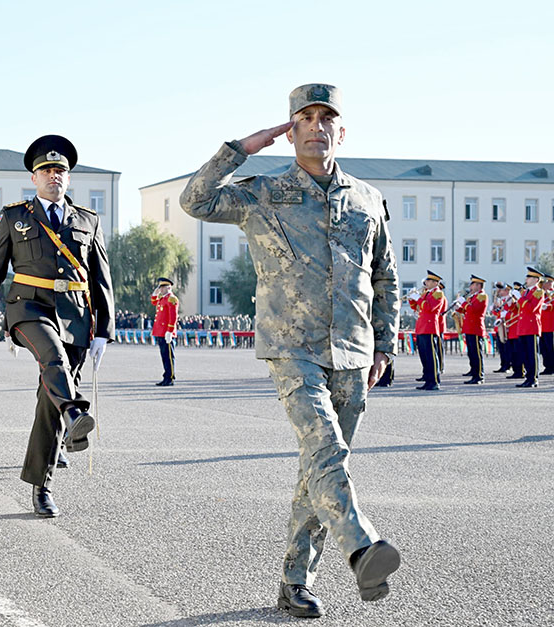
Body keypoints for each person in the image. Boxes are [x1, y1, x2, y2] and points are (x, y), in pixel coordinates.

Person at [179, 84, 401, 617]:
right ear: (290, 130)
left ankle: (295, 580)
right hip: (291, 348)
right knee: (327, 452)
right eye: (306, 117)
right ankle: (362, 547)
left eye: (328, 118)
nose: (317, 126)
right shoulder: (263, 192)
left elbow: (386, 278)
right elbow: (195, 200)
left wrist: (385, 347)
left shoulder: (368, 200)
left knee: (319, 470)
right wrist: (243, 149)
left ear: (340, 132)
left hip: (353, 352)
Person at [0, 135, 114, 517]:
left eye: (60, 171)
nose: (53, 176)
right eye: (46, 170)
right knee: (53, 360)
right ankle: (76, 412)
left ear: (69, 179)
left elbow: (101, 278)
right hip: (28, 309)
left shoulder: (88, 221)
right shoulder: (15, 217)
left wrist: (104, 330)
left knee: (49, 400)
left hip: (75, 315)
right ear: (33, 177)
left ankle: (42, 486)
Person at [409, 271, 445, 391]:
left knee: (431, 357)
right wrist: (411, 299)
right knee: (424, 356)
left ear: (435, 282)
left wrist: (418, 298)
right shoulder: (427, 293)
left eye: (429, 281)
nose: (426, 282)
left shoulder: (438, 294)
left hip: (430, 327)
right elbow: (417, 307)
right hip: (421, 327)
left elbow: (429, 307)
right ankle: (428, 380)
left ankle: (434, 381)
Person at [453, 275, 489, 384]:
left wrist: (463, 303)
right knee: (472, 353)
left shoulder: (482, 296)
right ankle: (474, 373)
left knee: (477, 354)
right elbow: (467, 311)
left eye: (472, 284)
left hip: (476, 328)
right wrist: (458, 308)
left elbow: (474, 309)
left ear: (478, 285)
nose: (470, 287)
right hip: (469, 328)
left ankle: (479, 376)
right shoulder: (473, 297)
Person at [514, 267, 545, 388]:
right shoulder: (526, 292)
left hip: (532, 327)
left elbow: (530, 308)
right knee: (525, 355)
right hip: (523, 327)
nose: (526, 279)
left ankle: (534, 379)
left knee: (532, 355)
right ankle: (528, 378)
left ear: (536, 280)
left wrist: (519, 298)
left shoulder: (538, 292)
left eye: (529, 277)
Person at [150, 277, 178, 386]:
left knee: (169, 356)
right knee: (164, 355)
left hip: (167, 332)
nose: (160, 289)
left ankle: (170, 377)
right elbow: (153, 302)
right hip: (161, 332)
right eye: (160, 287)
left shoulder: (171, 299)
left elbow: (173, 316)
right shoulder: (163, 298)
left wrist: (170, 331)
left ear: (168, 287)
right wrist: (155, 293)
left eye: (162, 287)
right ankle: (166, 376)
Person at [539, 274, 554, 375]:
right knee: (543, 348)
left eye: (550, 282)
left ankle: (552, 367)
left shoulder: (552, 294)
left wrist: (548, 306)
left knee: (550, 347)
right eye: (546, 282)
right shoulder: (541, 294)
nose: (548, 284)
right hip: (541, 325)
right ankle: (547, 366)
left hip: (550, 325)